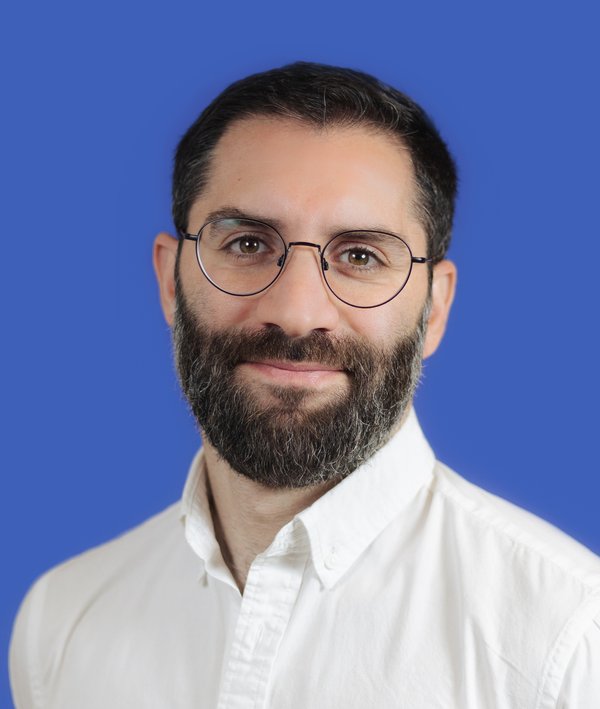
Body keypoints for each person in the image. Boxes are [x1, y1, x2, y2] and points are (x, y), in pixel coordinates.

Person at [9, 62, 600, 708]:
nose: (295, 310)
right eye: (247, 243)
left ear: (434, 308)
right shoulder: (61, 626)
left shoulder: (568, 643)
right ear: (171, 280)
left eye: (360, 256)